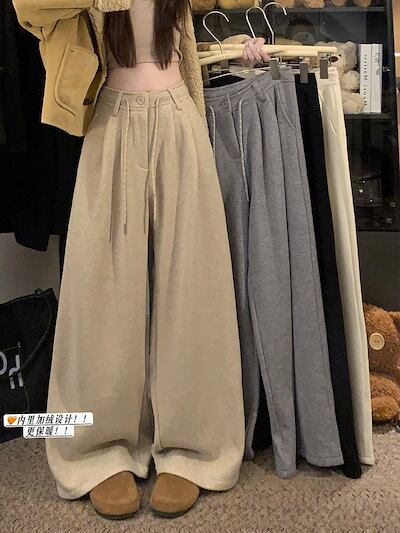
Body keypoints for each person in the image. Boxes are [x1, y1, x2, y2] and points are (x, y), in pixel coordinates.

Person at [13, 0, 270, 520]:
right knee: (100, 293)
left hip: (178, 114)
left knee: (193, 287)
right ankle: (96, 449)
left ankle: (193, 446)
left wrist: (238, 44)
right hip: (109, 118)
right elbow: (29, 9)